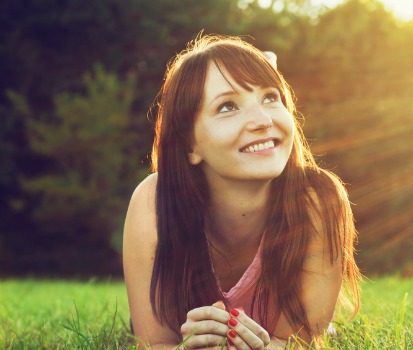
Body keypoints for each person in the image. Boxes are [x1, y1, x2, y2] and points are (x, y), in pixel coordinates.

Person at [123, 35, 361, 349]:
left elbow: (298, 343)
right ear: (189, 145)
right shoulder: (153, 203)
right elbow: (153, 344)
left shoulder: (318, 201)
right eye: (227, 106)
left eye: (270, 98)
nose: (263, 121)